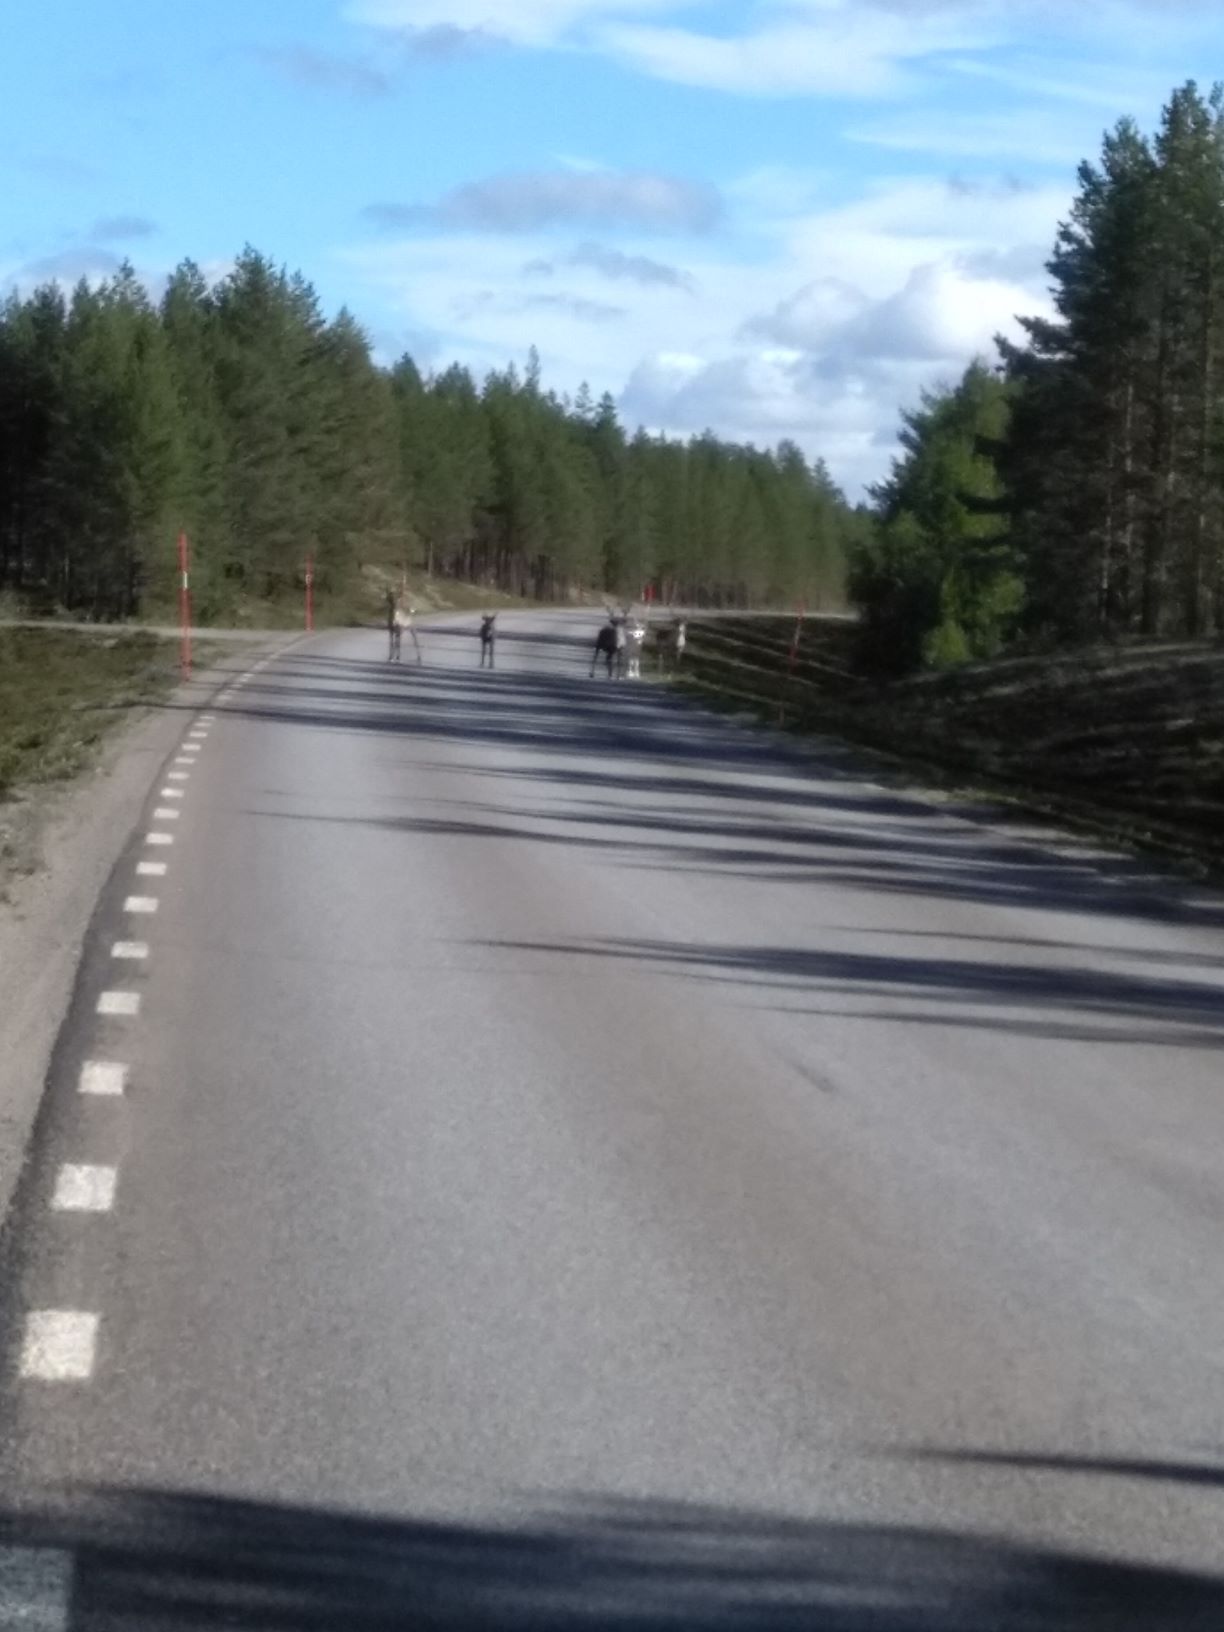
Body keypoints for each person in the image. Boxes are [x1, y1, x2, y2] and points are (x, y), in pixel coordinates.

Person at [386, 590, 401, 662]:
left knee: (394, 639)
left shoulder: (393, 605)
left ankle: (394, 655)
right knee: (395, 639)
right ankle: (395, 655)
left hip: (395, 621)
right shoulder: (393, 606)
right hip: (394, 621)